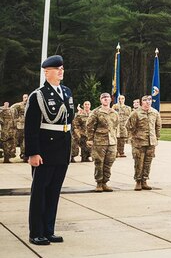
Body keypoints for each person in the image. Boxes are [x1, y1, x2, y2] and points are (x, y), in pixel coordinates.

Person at [24, 55, 75, 246]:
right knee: (40, 192)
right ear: (47, 72)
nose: (61, 71)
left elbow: (69, 120)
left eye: (62, 68)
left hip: (62, 148)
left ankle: (48, 230)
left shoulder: (67, 92)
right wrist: (32, 153)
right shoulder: (38, 95)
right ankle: (36, 232)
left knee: (54, 191)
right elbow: (30, 127)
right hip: (44, 150)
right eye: (56, 68)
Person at [126, 95, 161, 191]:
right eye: (145, 100)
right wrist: (134, 135)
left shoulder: (154, 112)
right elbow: (128, 126)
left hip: (151, 143)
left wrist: (156, 137)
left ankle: (144, 180)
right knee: (138, 162)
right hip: (139, 142)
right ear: (141, 102)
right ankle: (138, 181)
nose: (147, 102)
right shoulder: (136, 113)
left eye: (149, 100)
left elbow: (158, 126)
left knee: (147, 162)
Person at [86, 92, 119, 192]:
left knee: (109, 162)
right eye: (103, 97)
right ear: (100, 100)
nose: (105, 99)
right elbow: (89, 126)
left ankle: (105, 182)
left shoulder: (114, 113)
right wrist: (90, 139)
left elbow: (115, 126)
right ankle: (99, 183)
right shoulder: (96, 112)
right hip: (99, 142)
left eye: (107, 97)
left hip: (112, 142)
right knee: (99, 162)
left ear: (110, 99)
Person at [11, 94, 29, 161]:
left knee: (24, 142)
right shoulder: (19, 105)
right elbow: (12, 108)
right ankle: (11, 154)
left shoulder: (30, 105)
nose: (26, 98)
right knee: (15, 141)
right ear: (23, 98)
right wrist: (16, 118)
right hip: (19, 126)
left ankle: (24, 156)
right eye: (25, 97)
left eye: (27, 97)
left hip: (27, 127)